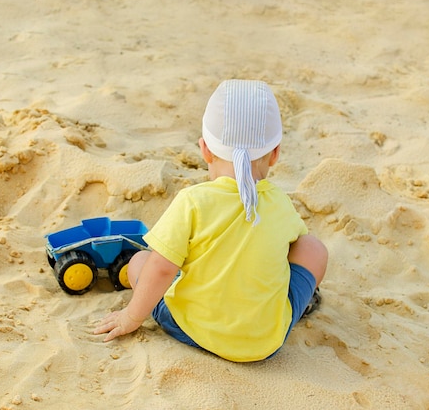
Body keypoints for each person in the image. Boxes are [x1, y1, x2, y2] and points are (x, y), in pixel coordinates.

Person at [94, 79, 327, 362]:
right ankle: (298, 305)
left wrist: (131, 317)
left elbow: (161, 270)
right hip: (265, 341)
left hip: (191, 329)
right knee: (313, 248)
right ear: (275, 153)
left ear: (204, 149)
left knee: (140, 262)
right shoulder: (281, 203)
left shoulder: (193, 201)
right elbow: (291, 250)